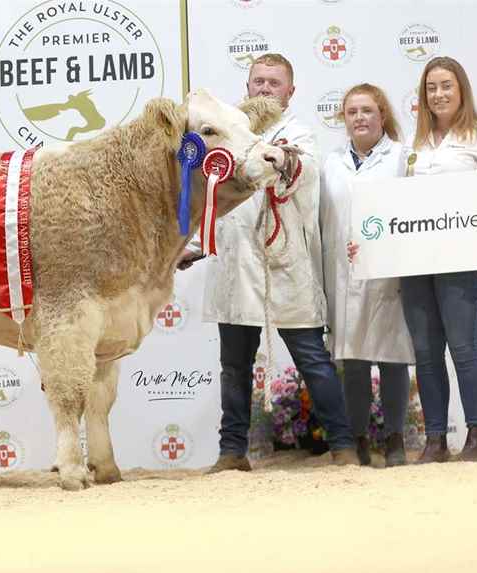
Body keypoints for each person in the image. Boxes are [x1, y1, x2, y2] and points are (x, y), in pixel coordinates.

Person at [179, 53, 357, 471]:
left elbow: (304, 170)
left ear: (290, 92)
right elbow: (215, 202)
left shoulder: (299, 133)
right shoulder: (225, 133)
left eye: (274, 83)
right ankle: (231, 452)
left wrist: (282, 158)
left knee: (312, 358)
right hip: (235, 265)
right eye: (258, 81)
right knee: (234, 367)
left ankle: (344, 445)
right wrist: (194, 246)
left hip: (286, 262)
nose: (264, 89)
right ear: (247, 86)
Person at [350, 57, 477, 463]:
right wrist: (368, 243)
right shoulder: (414, 147)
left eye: (446, 86)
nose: (438, 94)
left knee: (463, 347)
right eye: (431, 88)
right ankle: (435, 441)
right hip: (418, 261)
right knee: (425, 351)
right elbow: (396, 209)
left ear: (462, 91)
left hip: (466, 262)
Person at [320, 84, 415, 467]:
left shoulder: (402, 159)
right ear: (344, 119)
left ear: (383, 116)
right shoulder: (329, 164)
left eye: (367, 110)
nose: (359, 117)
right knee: (353, 359)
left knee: (393, 355)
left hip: (389, 275)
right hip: (342, 275)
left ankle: (395, 439)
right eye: (352, 112)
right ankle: (357, 438)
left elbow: (413, 217)